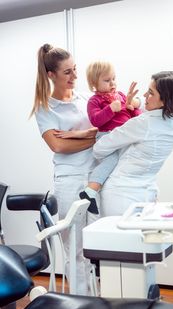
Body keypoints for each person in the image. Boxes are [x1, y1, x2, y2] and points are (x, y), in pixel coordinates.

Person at [30, 43, 98, 296]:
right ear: (51, 75)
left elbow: (106, 129)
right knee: (76, 250)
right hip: (69, 181)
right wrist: (93, 138)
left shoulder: (87, 100)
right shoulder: (45, 107)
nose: (75, 77)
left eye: (75, 69)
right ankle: (81, 307)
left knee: (100, 244)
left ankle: (99, 302)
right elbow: (57, 145)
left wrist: (74, 136)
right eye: (67, 72)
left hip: (97, 179)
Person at [93, 71, 173, 216]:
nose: (145, 96)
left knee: (118, 238)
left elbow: (99, 149)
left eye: (150, 93)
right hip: (147, 193)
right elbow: (142, 106)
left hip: (120, 194)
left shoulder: (143, 123)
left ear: (165, 100)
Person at [55, 61, 141, 214]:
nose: (112, 83)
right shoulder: (94, 101)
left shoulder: (121, 96)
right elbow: (96, 120)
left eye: (114, 78)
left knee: (126, 161)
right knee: (112, 159)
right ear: (94, 84)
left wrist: (133, 108)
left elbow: (135, 117)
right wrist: (110, 109)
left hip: (123, 137)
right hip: (107, 136)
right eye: (107, 80)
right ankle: (90, 191)